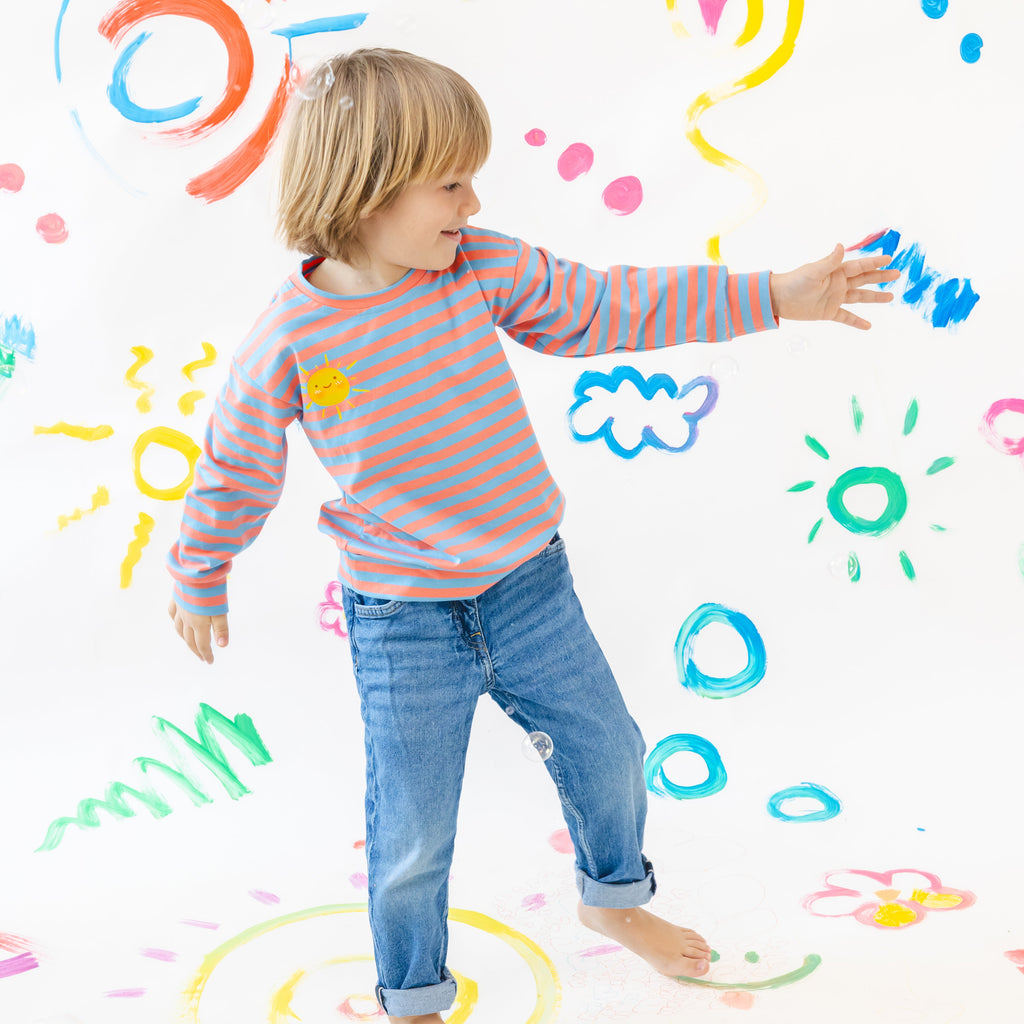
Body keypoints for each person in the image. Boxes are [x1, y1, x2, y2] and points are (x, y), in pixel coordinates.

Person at [167, 48, 898, 1024]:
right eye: (452, 182)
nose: (471, 204)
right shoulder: (290, 342)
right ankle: (415, 991)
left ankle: (614, 899)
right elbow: (235, 461)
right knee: (413, 830)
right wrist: (199, 571)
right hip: (401, 622)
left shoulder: (478, 268)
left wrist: (773, 294)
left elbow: (610, 305)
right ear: (367, 188)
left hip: (528, 587)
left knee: (609, 750)